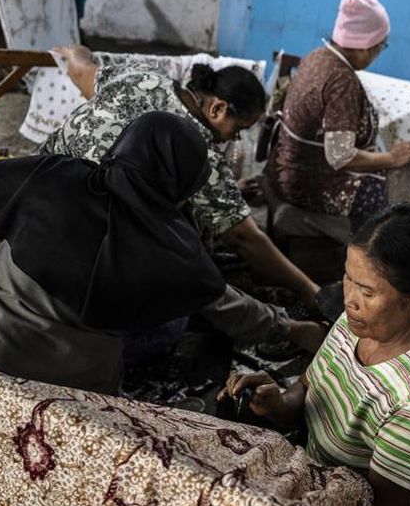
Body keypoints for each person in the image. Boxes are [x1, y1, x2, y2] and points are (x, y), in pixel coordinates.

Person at [0, 111, 228, 394]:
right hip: (80, 400)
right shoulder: (178, 252)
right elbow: (220, 296)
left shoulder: (55, 180)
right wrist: (282, 326)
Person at [220, 202, 410, 506]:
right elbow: (308, 389)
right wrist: (278, 404)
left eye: (367, 290)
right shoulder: (355, 325)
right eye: (348, 278)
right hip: (323, 483)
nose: (349, 299)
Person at [45, 45, 324, 353]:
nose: (234, 139)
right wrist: (309, 290)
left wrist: (75, 51)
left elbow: (82, 71)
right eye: (238, 129)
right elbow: (245, 238)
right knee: (174, 319)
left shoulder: (144, 78)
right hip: (85, 261)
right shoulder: (196, 148)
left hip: (38, 201)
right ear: (217, 109)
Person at [268, 0, 410, 233]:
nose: (379, 53)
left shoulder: (317, 57)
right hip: (309, 184)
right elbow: (340, 156)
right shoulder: (342, 81)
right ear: (363, 47)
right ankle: (368, 259)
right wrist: (391, 158)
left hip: (288, 168)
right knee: (397, 199)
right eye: (381, 46)